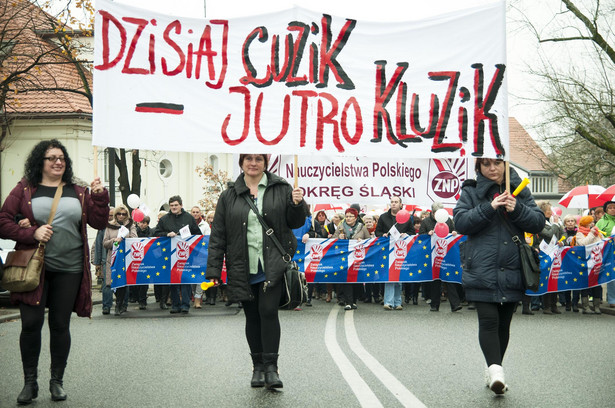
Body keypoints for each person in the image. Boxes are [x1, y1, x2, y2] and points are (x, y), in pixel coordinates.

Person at [0, 139, 109, 404]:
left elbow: (99, 221)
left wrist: (99, 197)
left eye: (61, 157)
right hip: (34, 269)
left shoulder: (78, 191)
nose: (58, 161)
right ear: (41, 161)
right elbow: (3, 221)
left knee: (60, 325)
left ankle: (56, 382)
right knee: (31, 324)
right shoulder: (25, 188)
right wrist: (30, 231)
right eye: (51, 158)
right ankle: (30, 383)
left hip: (70, 269)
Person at [207, 153, 307, 390]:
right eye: (248, 159)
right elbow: (218, 234)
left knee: (268, 310)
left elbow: (294, 222)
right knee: (252, 316)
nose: (253, 163)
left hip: (272, 263)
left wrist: (297, 204)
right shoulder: (228, 195)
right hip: (242, 264)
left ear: (265, 162)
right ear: (241, 163)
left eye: (258, 159)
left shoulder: (281, 188)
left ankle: (272, 367)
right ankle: (258, 367)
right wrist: (213, 269)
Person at [454, 157, 544, 396]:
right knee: (489, 321)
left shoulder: (520, 189)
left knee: (504, 324)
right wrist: (489, 207)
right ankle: (497, 372)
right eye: (486, 164)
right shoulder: (471, 191)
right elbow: (461, 222)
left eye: (497, 163)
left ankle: (493, 368)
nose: (492, 168)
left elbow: (537, 222)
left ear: (505, 165)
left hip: (514, 266)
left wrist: (518, 209)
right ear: (479, 168)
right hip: (481, 268)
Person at [155, 195, 201, 314]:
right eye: (171, 206)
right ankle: (175, 305)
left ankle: (185, 305)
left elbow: (198, 234)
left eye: (176, 205)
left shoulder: (189, 218)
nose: (174, 207)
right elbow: (156, 233)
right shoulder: (164, 219)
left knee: (185, 280)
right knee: (174, 281)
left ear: (181, 205)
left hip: (186, 254)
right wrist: (166, 234)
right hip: (169, 255)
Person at [420, 202, 462, 312]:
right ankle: (434, 305)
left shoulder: (448, 220)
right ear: (433, 213)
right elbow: (420, 237)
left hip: (447, 254)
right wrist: (427, 234)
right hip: (433, 256)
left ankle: (455, 304)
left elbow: (455, 231)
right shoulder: (425, 222)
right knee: (435, 280)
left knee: (450, 278)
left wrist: (454, 233)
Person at [375, 196, 413, 310]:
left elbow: (412, 232)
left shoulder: (407, 218)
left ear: (401, 204)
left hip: (400, 250)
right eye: (392, 202)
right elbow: (378, 231)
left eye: (396, 202)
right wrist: (383, 235)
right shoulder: (383, 217)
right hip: (387, 250)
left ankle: (397, 302)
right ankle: (388, 302)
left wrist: (405, 234)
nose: (394, 204)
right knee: (389, 275)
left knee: (398, 276)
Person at [333, 207, 370, 310]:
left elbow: (369, 241)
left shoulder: (362, 227)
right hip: (345, 257)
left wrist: (361, 241)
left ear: (356, 217)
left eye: (350, 216)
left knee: (356, 280)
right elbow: (332, 240)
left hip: (357, 257)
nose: (348, 218)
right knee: (347, 279)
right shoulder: (341, 226)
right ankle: (348, 302)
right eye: (347, 216)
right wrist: (338, 238)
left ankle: (354, 301)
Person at [103, 205, 138, 316]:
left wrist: (124, 239)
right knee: (112, 282)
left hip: (125, 258)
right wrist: (114, 240)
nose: (121, 216)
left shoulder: (130, 225)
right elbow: (105, 243)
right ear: (115, 215)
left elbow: (135, 239)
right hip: (113, 258)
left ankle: (120, 305)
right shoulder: (109, 226)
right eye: (119, 214)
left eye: (123, 214)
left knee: (123, 282)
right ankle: (112, 304)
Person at [537, 201, 564, 314]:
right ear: (543, 211)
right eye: (549, 209)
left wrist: (562, 240)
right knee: (546, 278)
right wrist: (555, 224)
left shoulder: (554, 221)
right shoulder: (539, 222)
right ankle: (546, 306)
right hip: (545, 253)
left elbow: (562, 233)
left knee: (554, 278)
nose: (551, 211)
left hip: (555, 253)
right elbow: (548, 234)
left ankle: (554, 305)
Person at [575, 215, 604, 314]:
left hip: (596, 262)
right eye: (590, 222)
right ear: (585, 223)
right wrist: (591, 234)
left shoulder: (597, 233)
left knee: (597, 284)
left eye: (593, 222)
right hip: (585, 262)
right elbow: (584, 244)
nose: (593, 224)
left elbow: (601, 244)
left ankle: (596, 306)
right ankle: (585, 307)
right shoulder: (579, 233)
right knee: (585, 284)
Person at [93, 207, 114, 315]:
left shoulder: (121, 226)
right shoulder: (102, 228)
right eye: (108, 215)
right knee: (107, 284)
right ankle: (106, 306)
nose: (110, 217)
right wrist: (97, 262)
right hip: (106, 259)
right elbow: (98, 244)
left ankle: (122, 304)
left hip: (119, 259)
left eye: (112, 215)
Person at [596, 201, 615, 308]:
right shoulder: (601, 222)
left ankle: (610, 296)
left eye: (614, 207)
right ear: (606, 210)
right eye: (610, 207)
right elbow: (597, 236)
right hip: (608, 251)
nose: (612, 209)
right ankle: (612, 299)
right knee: (611, 275)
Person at [135, 215, 153, 309]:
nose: (142, 225)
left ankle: (142, 300)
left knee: (144, 281)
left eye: (144, 223)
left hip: (147, 259)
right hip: (136, 259)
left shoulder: (151, 232)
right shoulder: (135, 232)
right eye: (140, 223)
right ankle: (137, 297)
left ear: (147, 223)